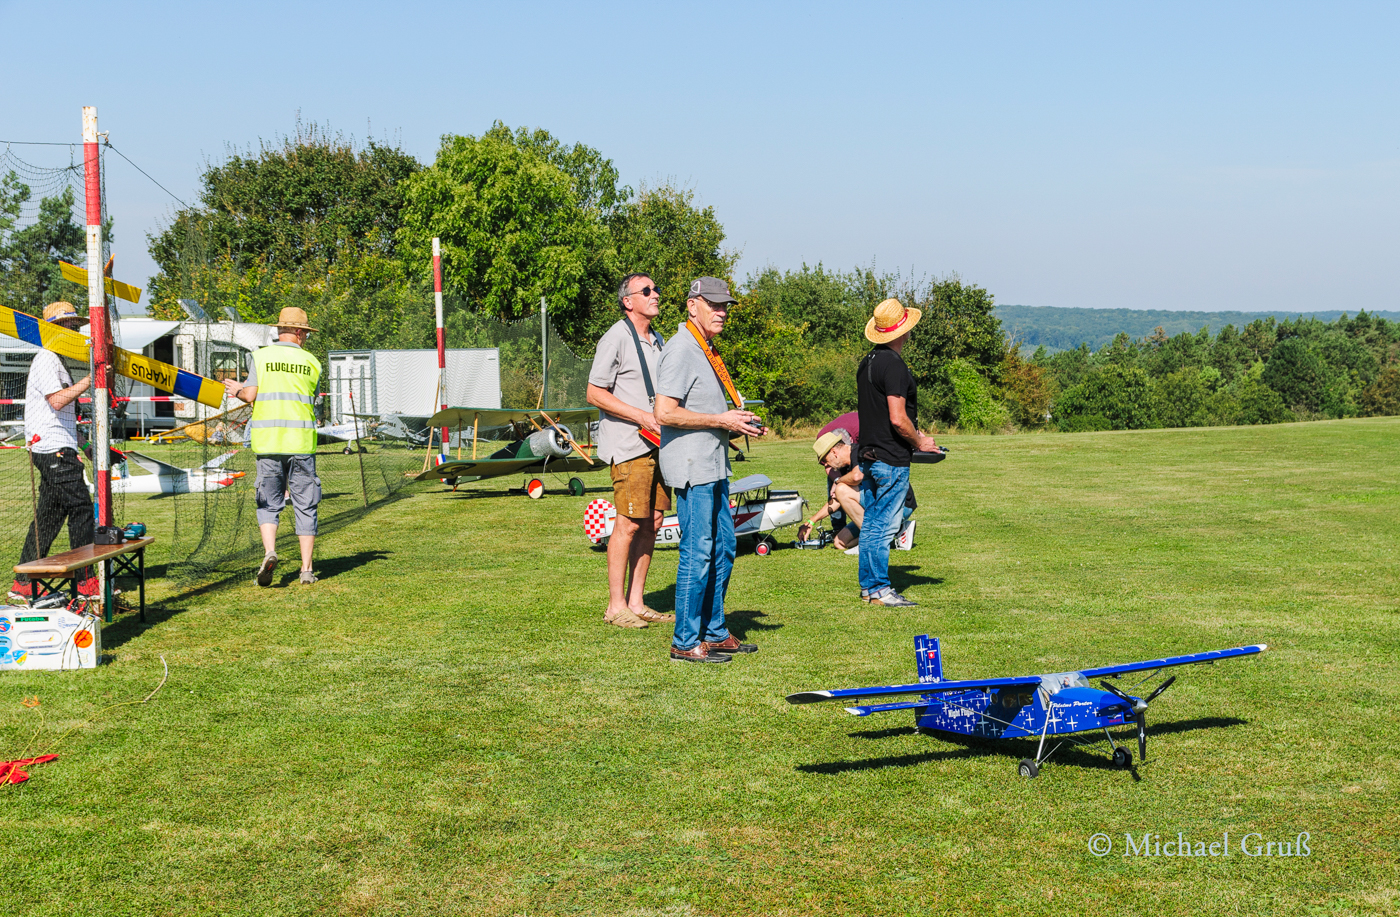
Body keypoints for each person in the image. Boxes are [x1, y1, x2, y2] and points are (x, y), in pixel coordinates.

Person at [654, 277, 764, 663]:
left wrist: (736, 423)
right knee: (698, 551)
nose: (721, 312)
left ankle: (714, 632)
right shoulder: (681, 348)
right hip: (692, 467)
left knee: (725, 547)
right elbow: (664, 412)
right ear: (692, 305)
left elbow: (703, 408)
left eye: (725, 306)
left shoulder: (705, 347)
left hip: (713, 464)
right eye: (713, 305)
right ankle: (684, 641)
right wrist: (721, 419)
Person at [585, 273, 675, 629]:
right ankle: (615, 606)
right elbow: (594, 393)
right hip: (629, 445)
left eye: (656, 289)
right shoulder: (615, 337)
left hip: (659, 443)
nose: (656, 295)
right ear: (628, 301)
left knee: (654, 521)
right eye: (647, 291)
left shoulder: (658, 339)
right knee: (628, 523)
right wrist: (641, 415)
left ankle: (636, 602)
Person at [223, 307, 323, 586]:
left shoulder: (261, 356)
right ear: (300, 333)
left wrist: (237, 389)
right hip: (301, 444)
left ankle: (270, 552)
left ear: (280, 330)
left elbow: (250, 395)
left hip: (268, 443)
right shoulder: (312, 362)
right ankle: (306, 570)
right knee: (306, 505)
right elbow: (312, 397)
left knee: (268, 504)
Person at [855, 298, 939, 607]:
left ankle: (869, 588)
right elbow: (897, 417)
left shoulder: (868, 362)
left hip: (869, 454)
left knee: (871, 523)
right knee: (883, 526)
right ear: (903, 331)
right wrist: (920, 443)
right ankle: (880, 589)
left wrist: (916, 435)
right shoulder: (894, 365)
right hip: (890, 459)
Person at [10, 302, 96, 601]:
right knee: (82, 508)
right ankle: (86, 583)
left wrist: (85, 445)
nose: (74, 331)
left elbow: (62, 415)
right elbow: (57, 401)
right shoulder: (47, 358)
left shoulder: (57, 359)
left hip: (56, 445)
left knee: (49, 517)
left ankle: (22, 585)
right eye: (67, 325)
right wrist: (91, 379)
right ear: (52, 330)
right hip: (52, 448)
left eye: (75, 326)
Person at [798, 414, 917, 552]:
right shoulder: (844, 468)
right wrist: (811, 521)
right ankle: (896, 531)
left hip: (899, 505)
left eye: (825, 460)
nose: (826, 465)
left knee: (841, 489)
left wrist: (837, 482)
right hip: (879, 508)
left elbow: (857, 476)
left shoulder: (859, 451)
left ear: (834, 452)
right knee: (839, 542)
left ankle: (871, 541)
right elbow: (836, 500)